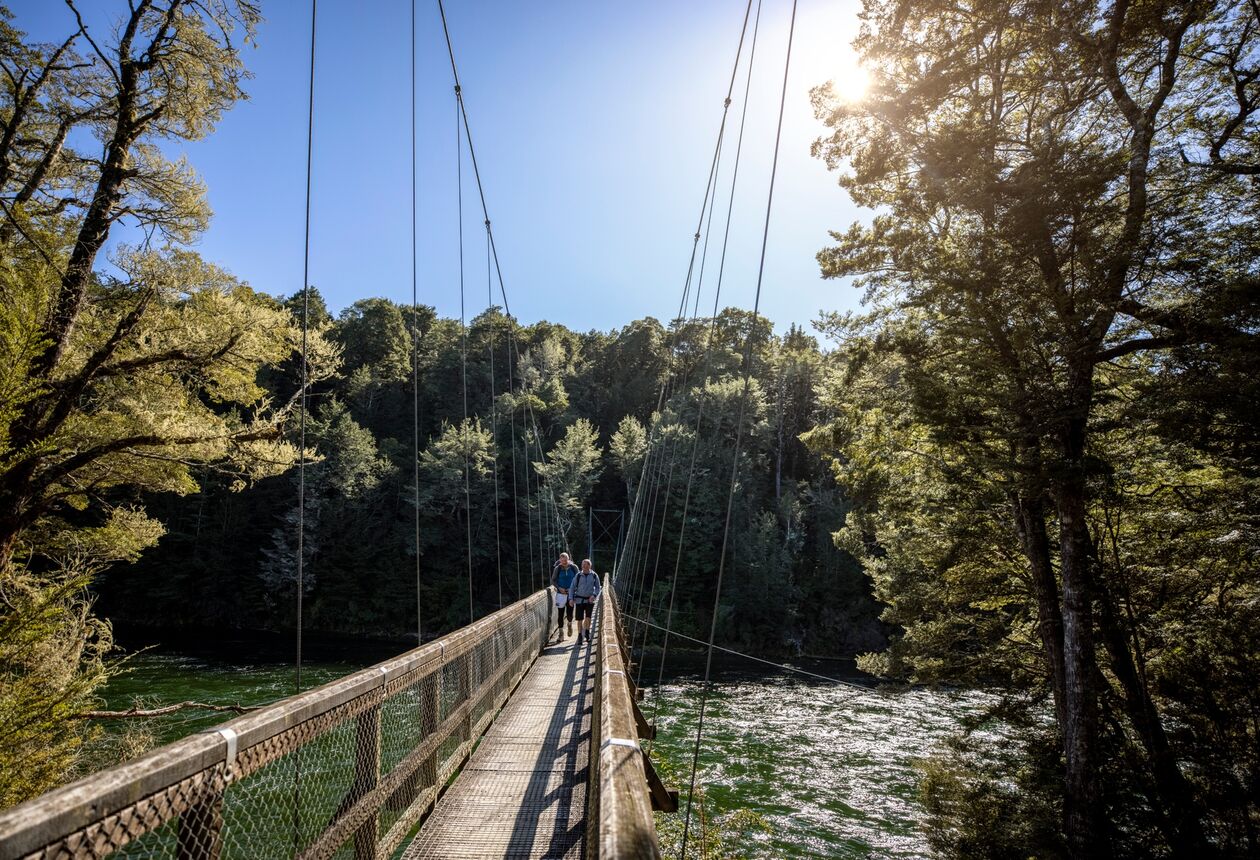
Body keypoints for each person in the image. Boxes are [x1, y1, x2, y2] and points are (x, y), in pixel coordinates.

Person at [571, 559, 601, 644]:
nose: (583, 566)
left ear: (589, 566)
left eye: (585, 565)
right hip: (579, 600)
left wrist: (594, 595)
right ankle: (580, 635)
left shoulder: (594, 575)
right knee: (579, 619)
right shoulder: (578, 575)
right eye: (582, 565)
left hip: (589, 600)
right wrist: (571, 599)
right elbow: (572, 587)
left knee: (588, 618)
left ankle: (587, 633)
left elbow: (598, 587)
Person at [550, 552, 579, 638]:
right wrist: (559, 588)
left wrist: (573, 589)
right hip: (560, 594)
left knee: (570, 613)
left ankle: (569, 624)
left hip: (571, 594)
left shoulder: (574, 567)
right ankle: (561, 633)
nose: (564, 562)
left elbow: (578, 579)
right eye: (562, 560)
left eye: (565, 560)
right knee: (560, 614)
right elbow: (553, 580)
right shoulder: (557, 568)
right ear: (560, 560)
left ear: (568, 559)